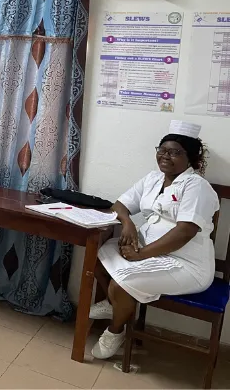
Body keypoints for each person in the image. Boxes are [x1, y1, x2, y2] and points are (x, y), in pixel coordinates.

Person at [89, 120, 220, 359]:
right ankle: (114, 303)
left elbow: (185, 232)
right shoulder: (152, 178)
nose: (165, 156)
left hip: (185, 264)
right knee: (100, 253)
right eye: (162, 150)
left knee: (122, 283)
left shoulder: (197, 187)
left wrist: (140, 255)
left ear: (189, 157)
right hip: (147, 250)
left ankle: (115, 330)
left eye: (174, 152)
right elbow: (119, 205)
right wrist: (128, 223)